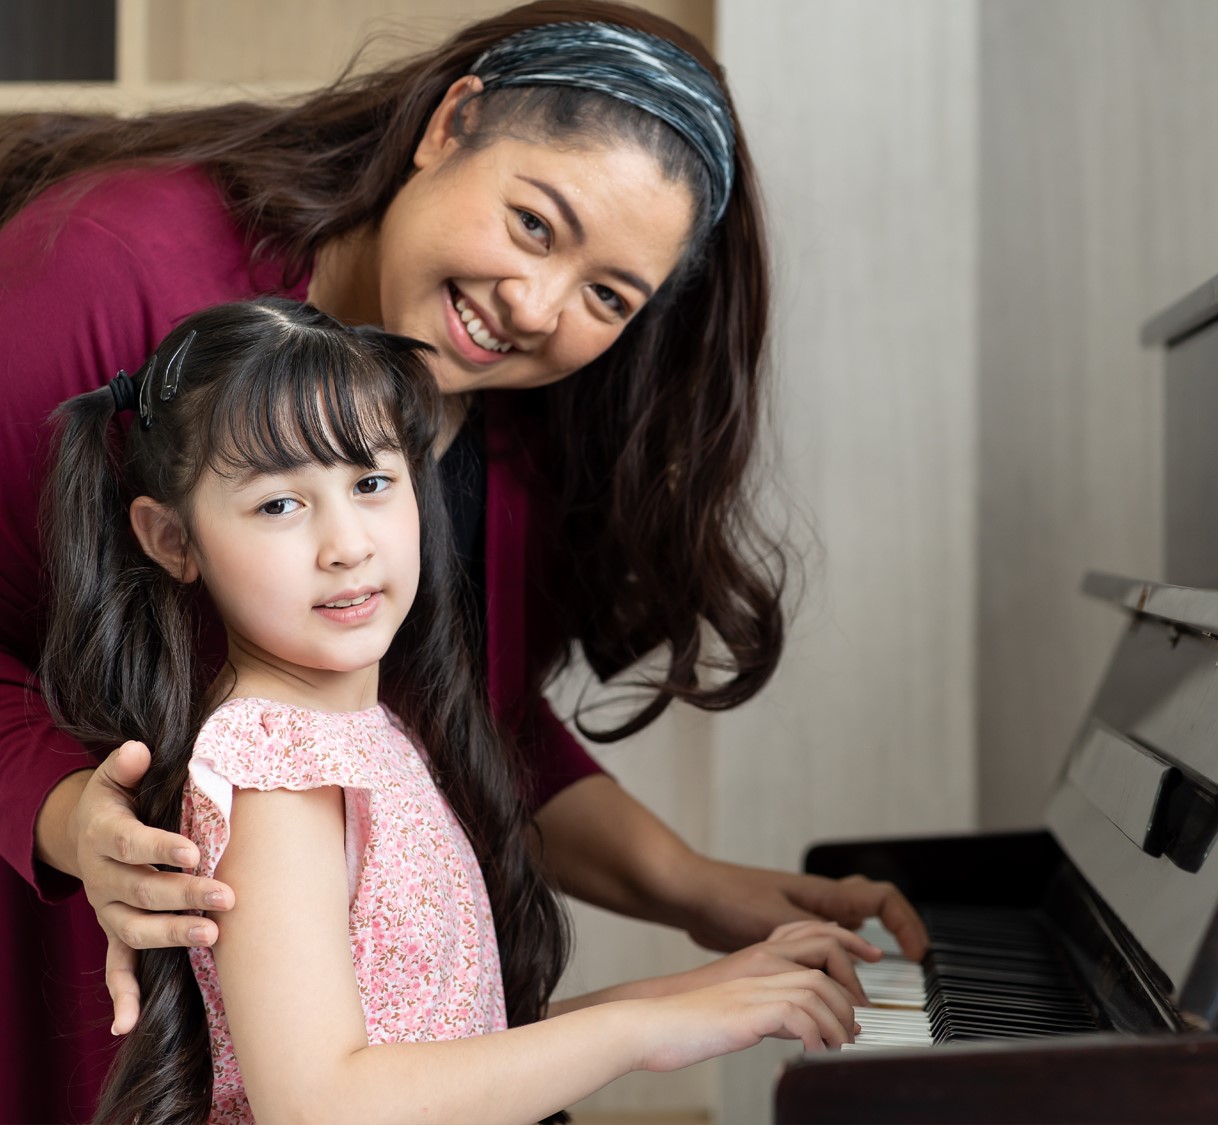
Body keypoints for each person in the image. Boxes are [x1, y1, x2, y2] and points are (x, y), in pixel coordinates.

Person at [0, 5, 927, 1119]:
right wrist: (65, 815)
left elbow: (463, 717)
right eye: (535, 225)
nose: (533, 309)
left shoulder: (506, 418)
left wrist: (695, 891)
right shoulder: (106, 274)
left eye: (606, 297)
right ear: (453, 121)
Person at [41, 296, 874, 1124]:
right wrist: (647, 1029)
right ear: (172, 540)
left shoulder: (373, 734)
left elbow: (451, 1045)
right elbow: (323, 1101)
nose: (348, 544)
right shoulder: (275, 769)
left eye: (371, 481)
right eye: (280, 504)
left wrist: (707, 989)